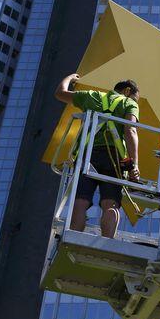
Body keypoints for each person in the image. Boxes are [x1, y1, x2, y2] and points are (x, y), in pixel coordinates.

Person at [55, 73, 141, 238]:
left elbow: (60, 93)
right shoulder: (129, 103)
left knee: (80, 201)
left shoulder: (92, 96)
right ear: (128, 91)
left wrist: (70, 78)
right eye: (135, 98)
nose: (135, 101)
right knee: (111, 203)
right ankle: (107, 241)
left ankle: (74, 237)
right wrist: (134, 165)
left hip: (88, 156)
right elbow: (130, 130)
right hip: (114, 158)